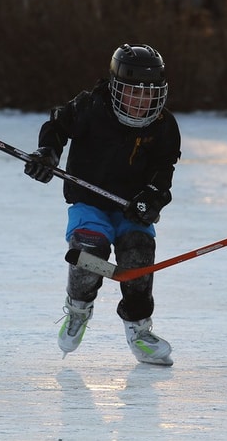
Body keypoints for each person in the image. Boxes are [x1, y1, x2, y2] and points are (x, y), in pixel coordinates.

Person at [24, 44, 181, 366]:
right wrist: (47, 154)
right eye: (132, 92)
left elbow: (164, 172)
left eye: (149, 94)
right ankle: (79, 307)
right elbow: (55, 127)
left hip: (130, 209)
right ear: (114, 88)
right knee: (89, 249)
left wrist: (152, 199)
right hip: (89, 203)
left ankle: (139, 330)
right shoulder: (89, 106)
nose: (141, 102)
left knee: (137, 255)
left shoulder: (164, 125)